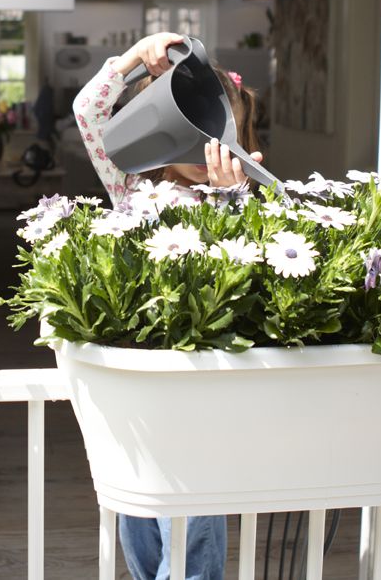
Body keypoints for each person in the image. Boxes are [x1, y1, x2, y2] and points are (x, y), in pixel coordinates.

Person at [72, 31, 263, 580]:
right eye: (195, 134)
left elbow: (239, 270)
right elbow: (89, 109)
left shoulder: (240, 203)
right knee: (136, 506)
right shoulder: (131, 183)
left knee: (193, 515)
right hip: (135, 378)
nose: (209, 153)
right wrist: (137, 55)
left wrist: (230, 197)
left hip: (201, 383)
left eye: (224, 137)